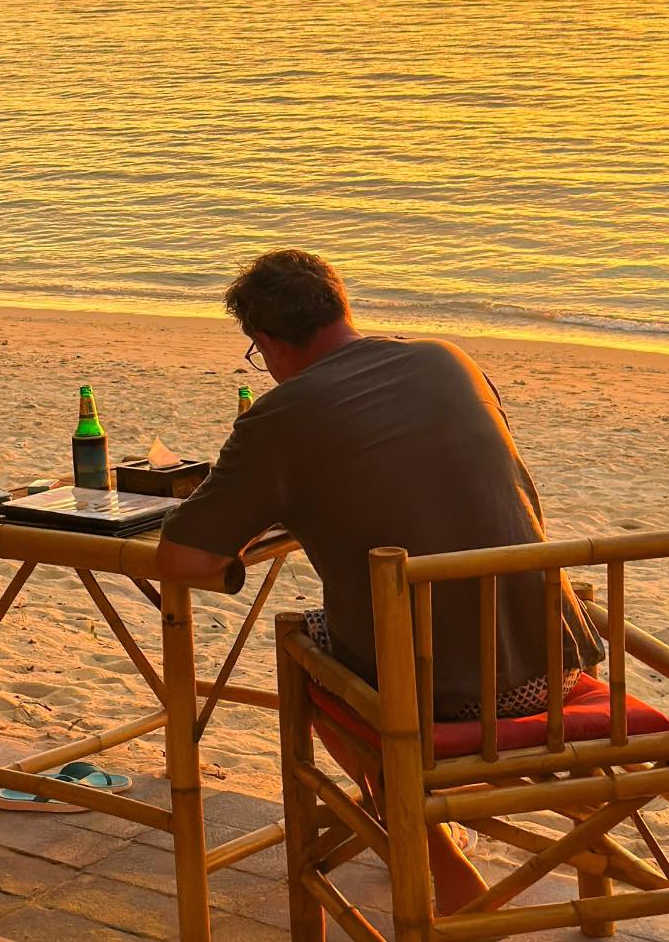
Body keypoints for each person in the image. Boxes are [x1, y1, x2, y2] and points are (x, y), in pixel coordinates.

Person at [156, 249, 603, 914]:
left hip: (435, 701)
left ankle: (427, 846)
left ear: (268, 342)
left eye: (258, 353)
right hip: (553, 658)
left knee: (304, 647)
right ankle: (453, 823)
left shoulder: (280, 416)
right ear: (340, 306)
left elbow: (182, 560)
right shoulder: (447, 360)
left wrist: (236, 557)